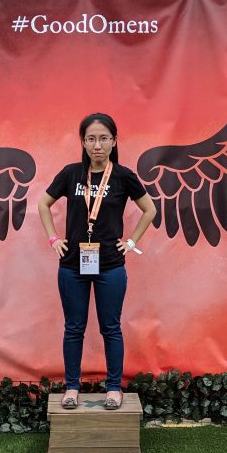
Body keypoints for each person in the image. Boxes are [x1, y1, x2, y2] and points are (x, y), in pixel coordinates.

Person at [38, 113, 156, 410]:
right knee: (74, 327)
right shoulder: (71, 174)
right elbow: (43, 203)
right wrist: (54, 239)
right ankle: (71, 387)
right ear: (83, 142)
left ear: (114, 141)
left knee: (111, 327)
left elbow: (150, 210)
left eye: (104, 138)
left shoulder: (123, 176)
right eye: (91, 138)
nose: (97, 145)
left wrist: (130, 242)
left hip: (111, 266)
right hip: (72, 265)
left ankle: (114, 388)